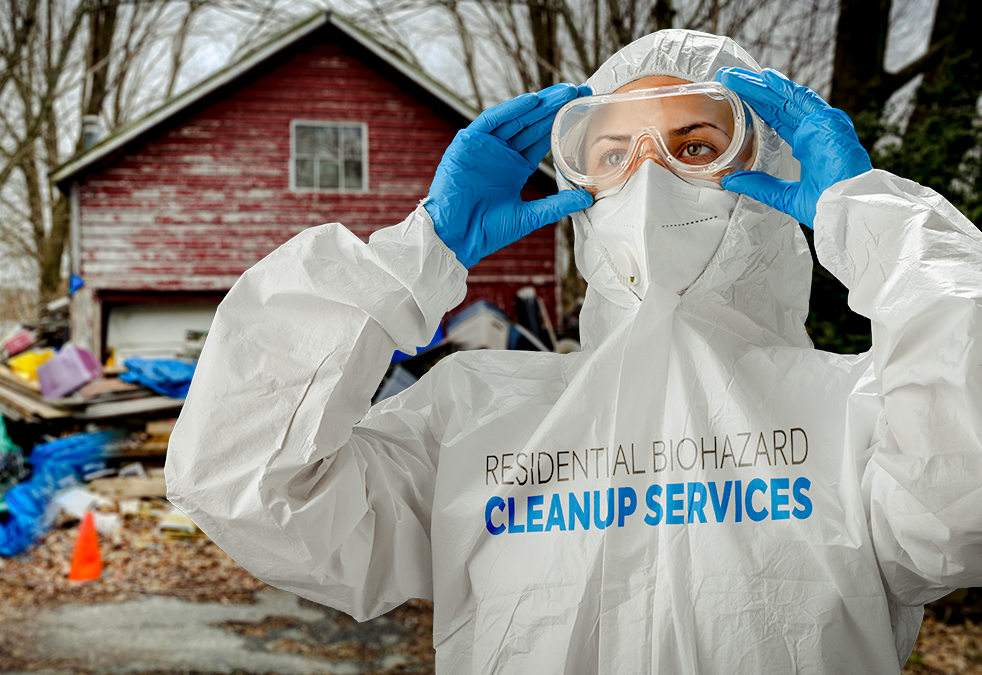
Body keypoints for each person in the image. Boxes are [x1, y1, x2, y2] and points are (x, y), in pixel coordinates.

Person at [166, 29, 982, 673]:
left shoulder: (863, 413)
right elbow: (246, 482)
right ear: (581, 194)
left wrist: (869, 217)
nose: (651, 177)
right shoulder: (479, 416)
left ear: (773, 175)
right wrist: (418, 252)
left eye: (696, 147)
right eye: (614, 155)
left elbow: (966, 499)